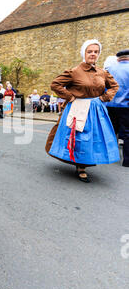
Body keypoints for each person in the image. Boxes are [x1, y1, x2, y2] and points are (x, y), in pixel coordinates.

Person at [45, 39, 120, 182]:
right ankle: (81, 167)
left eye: (96, 52)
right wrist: (69, 96)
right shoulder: (74, 71)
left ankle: (84, 163)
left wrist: (104, 97)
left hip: (96, 110)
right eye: (89, 51)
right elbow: (55, 84)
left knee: (93, 138)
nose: (93, 54)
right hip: (77, 109)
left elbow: (114, 86)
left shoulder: (102, 72)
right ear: (84, 53)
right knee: (80, 137)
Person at [105, 49, 129, 167]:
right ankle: (127, 161)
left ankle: (110, 156)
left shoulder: (109, 70)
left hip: (109, 105)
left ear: (118, 58)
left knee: (111, 131)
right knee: (127, 133)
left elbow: (104, 88)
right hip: (125, 106)